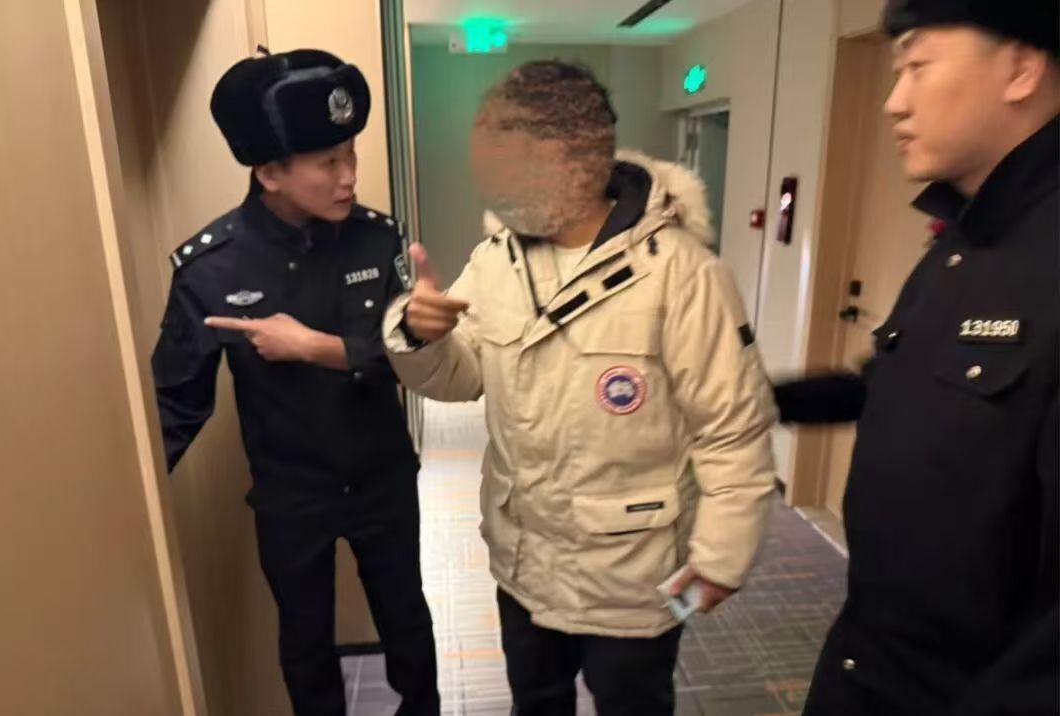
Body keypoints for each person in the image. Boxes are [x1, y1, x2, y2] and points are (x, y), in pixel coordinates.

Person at [383, 60, 777, 715]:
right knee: (535, 703)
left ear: (568, 155)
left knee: (635, 707)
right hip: (523, 567)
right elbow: (463, 376)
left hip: (634, 581)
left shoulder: (683, 275)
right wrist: (420, 336)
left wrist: (719, 560)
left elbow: (732, 430)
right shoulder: (497, 261)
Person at [774, 2, 1059, 714]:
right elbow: (893, 389)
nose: (893, 101)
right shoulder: (964, 241)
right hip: (867, 659)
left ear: (1021, 68)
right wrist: (758, 400)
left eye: (918, 66)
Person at [151, 49, 439, 716]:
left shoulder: (378, 240)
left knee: (407, 622)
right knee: (305, 644)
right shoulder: (212, 267)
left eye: (351, 154)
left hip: (382, 478)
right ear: (269, 173)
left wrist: (311, 347)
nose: (349, 177)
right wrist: (119, 508)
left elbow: (405, 359)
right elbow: (174, 403)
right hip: (290, 493)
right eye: (328, 162)